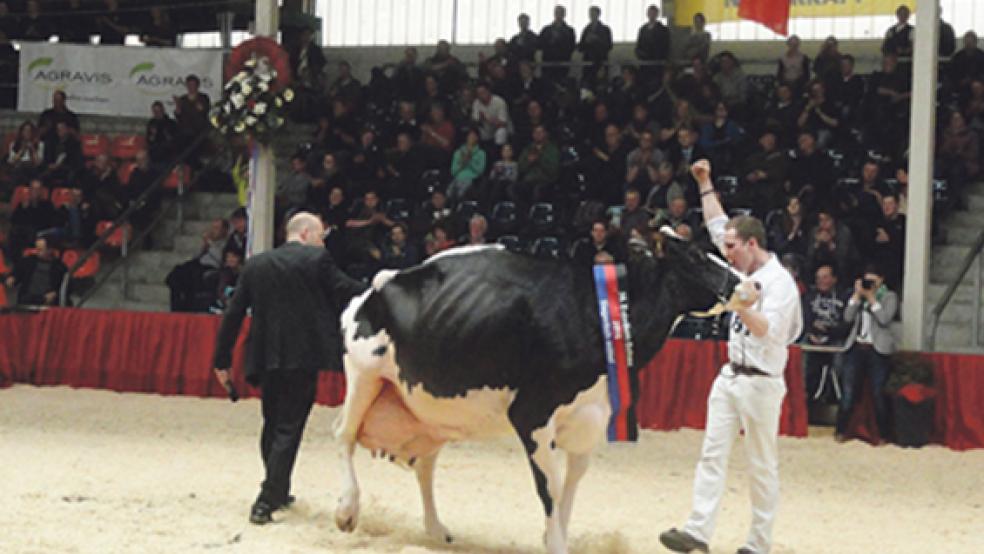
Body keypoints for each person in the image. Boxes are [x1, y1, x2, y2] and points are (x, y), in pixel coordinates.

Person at [661, 160, 802, 554]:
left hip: (762, 381)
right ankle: (697, 531)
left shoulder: (780, 283)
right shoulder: (741, 268)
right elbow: (716, 221)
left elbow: (769, 331)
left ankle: (758, 544)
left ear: (752, 245)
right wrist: (704, 182)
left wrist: (737, 304)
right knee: (711, 454)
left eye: (731, 248)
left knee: (761, 466)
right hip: (731, 375)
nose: (726, 252)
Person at [212, 212, 366, 525]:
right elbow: (345, 289)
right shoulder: (316, 259)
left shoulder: (256, 264)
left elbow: (233, 313)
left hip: (265, 354)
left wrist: (221, 360)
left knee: (272, 421)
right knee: (289, 427)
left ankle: (278, 490)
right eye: (321, 236)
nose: (322, 242)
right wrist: (378, 286)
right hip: (302, 355)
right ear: (306, 233)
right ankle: (266, 499)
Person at [836, 265, 898, 443]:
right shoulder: (858, 296)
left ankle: (883, 434)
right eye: (866, 280)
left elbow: (885, 319)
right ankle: (841, 430)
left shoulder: (889, 297)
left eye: (872, 280)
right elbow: (847, 317)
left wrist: (872, 299)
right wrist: (856, 296)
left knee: (878, 393)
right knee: (848, 392)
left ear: (881, 280)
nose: (869, 284)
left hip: (877, 349)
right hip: (856, 347)